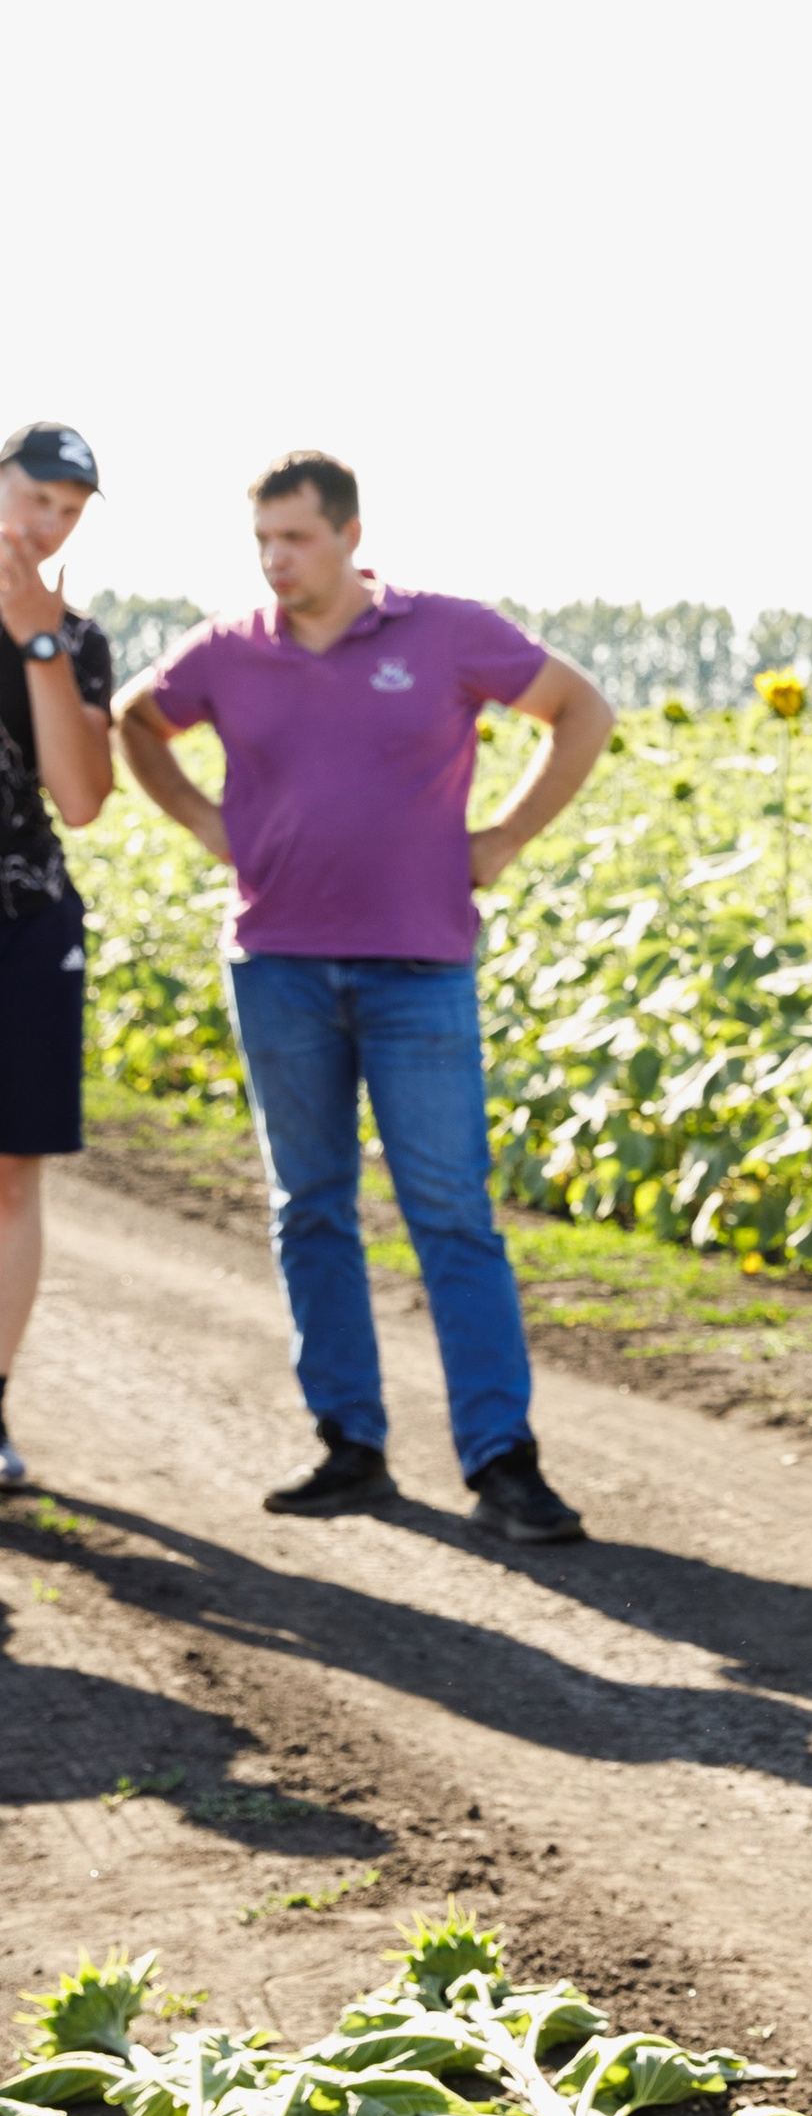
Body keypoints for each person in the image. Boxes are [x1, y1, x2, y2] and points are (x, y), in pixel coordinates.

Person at [114, 450, 612, 1542]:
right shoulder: (231, 650)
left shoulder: (443, 633)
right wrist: (206, 825)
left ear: (347, 534)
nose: (276, 563)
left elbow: (580, 710)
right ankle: (349, 1445)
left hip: (417, 968)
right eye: (262, 543)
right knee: (311, 1209)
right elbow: (136, 721)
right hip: (277, 964)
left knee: (451, 1213)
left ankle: (503, 1463)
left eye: (294, 539)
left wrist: (508, 838)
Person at [0, 421, 117, 1493]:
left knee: (9, 1176)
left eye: (67, 513)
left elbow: (80, 798)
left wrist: (37, 640)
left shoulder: (74, 641)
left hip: (26, 923)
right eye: (36, 499)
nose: (48, 525)